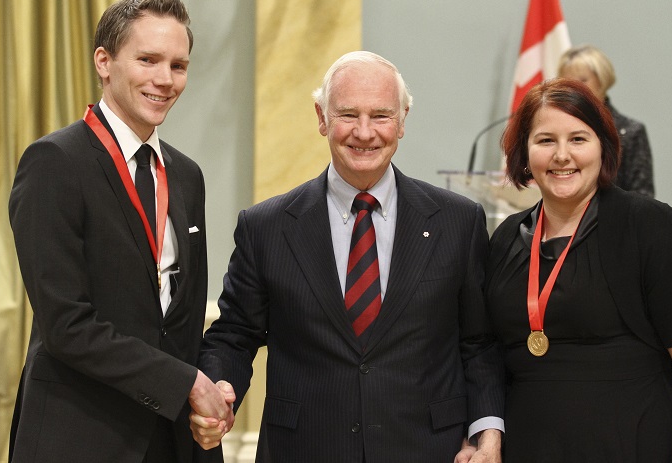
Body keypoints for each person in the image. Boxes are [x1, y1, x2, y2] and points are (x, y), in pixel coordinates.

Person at [191, 51, 505, 463]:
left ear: (403, 120)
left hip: (429, 450)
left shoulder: (458, 222)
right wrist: (218, 388)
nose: (364, 132)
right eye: (347, 115)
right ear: (321, 117)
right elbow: (233, 334)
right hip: (304, 450)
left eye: (381, 115)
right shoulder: (266, 226)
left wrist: (487, 430)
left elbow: (478, 343)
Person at [8, 0, 232, 463]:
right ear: (104, 62)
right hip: (81, 437)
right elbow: (66, 325)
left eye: (178, 65)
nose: (164, 80)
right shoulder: (54, 163)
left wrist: (211, 397)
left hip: (176, 440)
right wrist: (185, 383)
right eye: (147, 60)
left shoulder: (187, 175)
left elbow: (183, 320)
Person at [488, 77, 672, 462]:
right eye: (545, 140)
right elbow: (488, 359)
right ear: (523, 153)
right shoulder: (505, 240)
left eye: (578, 139)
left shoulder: (652, 228)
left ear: (604, 147)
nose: (562, 155)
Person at [558, 44, 655, 197]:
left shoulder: (630, 131)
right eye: (568, 82)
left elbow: (643, 196)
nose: (575, 89)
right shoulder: (556, 130)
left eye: (582, 81)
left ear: (602, 80)